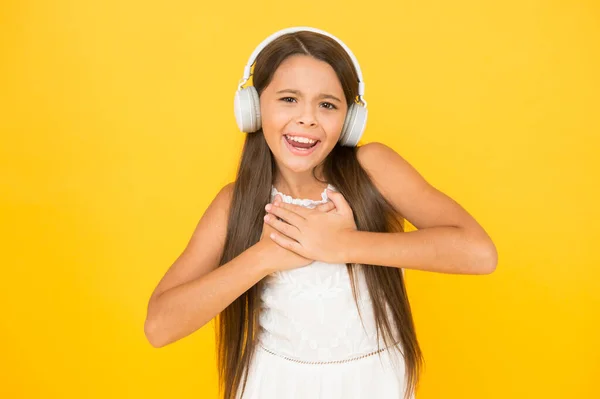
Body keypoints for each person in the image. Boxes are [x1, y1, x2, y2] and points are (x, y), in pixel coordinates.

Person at [144, 27, 498, 399]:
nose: (307, 119)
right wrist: (263, 256)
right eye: (288, 99)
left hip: (372, 385)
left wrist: (344, 244)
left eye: (327, 105)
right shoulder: (235, 202)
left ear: (349, 118)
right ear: (253, 107)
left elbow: (478, 253)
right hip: (275, 385)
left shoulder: (372, 169)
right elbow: (159, 326)